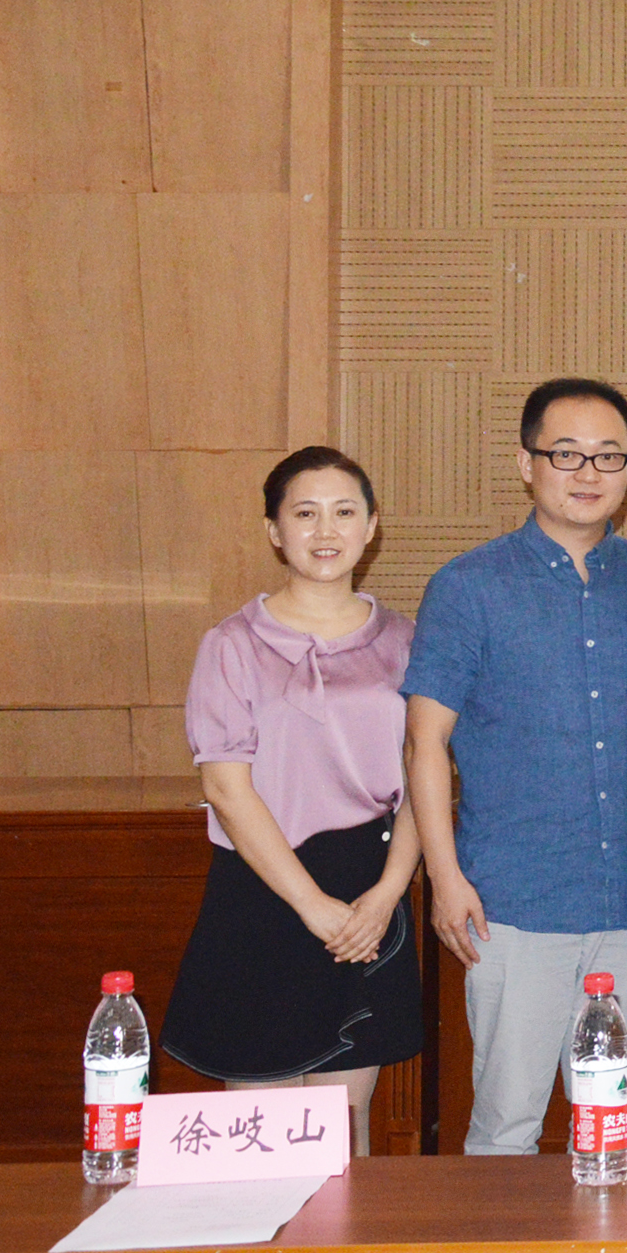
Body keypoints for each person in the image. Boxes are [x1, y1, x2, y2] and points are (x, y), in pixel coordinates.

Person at [404, 377, 627, 1155]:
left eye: (609, 456)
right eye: (566, 454)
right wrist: (445, 878)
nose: (589, 473)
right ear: (527, 464)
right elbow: (424, 743)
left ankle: (610, 1246)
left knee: (619, 1129)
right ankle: (501, 1250)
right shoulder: (469, 586)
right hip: (513, 904)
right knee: (507, 1125)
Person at [160, 446, 423, 1144]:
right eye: (305, 514)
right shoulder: (232, 644)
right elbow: (226, 787)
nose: (326, 530)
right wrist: (310, 904)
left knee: (343, 1125)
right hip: (264, 888)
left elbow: (423, 778)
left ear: (372, 526)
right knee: (262, 1131)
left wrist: (388, 892)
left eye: (344, 512)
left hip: (368, 892)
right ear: (275, 530)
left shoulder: (405, 640)